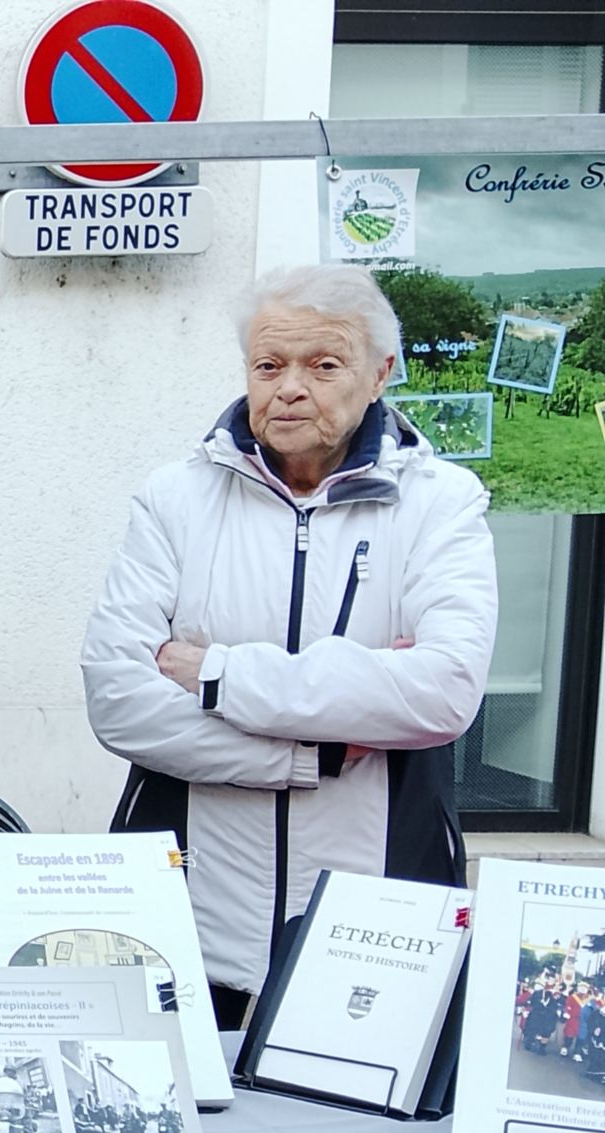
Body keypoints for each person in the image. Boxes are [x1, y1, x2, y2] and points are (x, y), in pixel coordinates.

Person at [81, 264, 497, 1028]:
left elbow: (442, 691)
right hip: (191, 904)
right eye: (268, 366)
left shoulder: (439, 504)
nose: (290, 389)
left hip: (375, 908)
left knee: (353, 1095)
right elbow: (117, 700)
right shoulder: (175, 499)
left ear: (380, 374)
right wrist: (311, 755)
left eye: (323, 365)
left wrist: (215, 672)